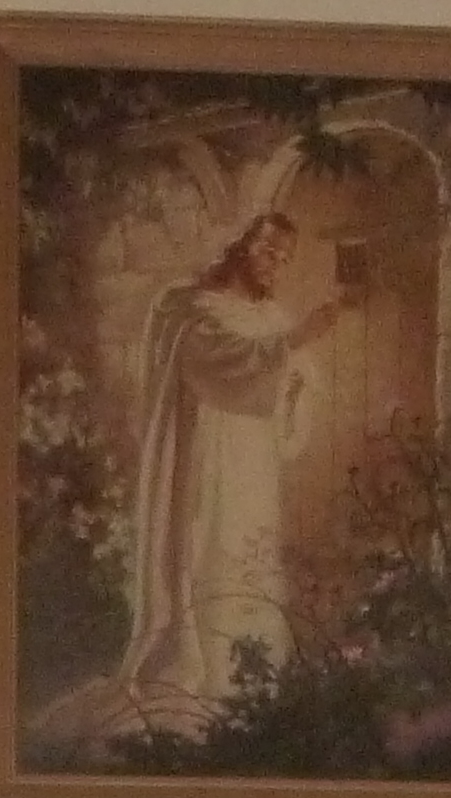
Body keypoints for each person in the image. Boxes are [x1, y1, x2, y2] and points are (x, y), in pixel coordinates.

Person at [119, 206, 350, 735]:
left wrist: (296, 386)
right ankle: (203, 677)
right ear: (241, 245)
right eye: (268, 250)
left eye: (285, 258)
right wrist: (294, 343)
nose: (275, 264)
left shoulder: (271, 318)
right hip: (206, 458)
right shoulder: (188, 307)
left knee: (250, 554)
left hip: (254, 463)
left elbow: (292, 390)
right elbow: (215, 363)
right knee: (208, 548)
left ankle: (251, 678)